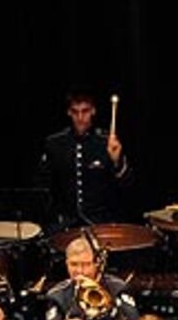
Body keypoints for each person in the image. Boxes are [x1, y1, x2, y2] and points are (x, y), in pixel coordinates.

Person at [35, 90, 130, 229]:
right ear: (69, 112)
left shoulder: (107, 142)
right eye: (75, 112)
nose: (80, 117)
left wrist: (117, 161)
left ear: (93, 111)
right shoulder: (55, 143)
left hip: (102, 223)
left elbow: (127, 187)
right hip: (66, 224)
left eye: (85, 111)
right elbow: (41, 186)